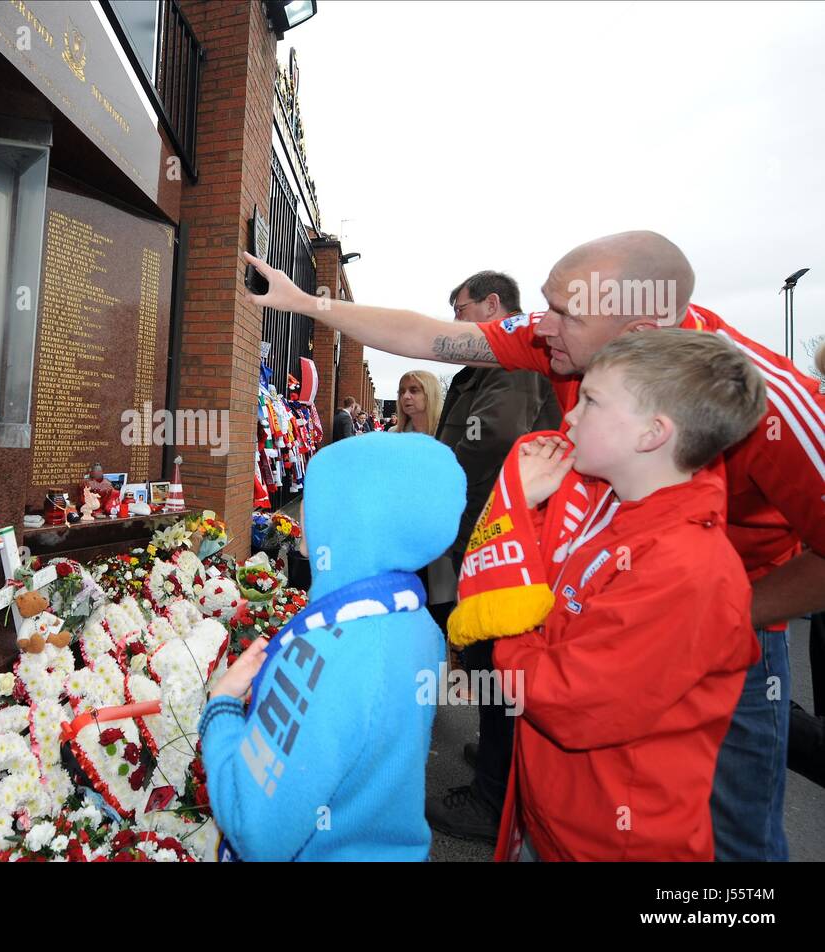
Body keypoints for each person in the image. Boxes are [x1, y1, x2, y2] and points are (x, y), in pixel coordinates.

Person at [243, 231, 825, 861]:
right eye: (545, 304)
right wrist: (306, 303)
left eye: (564, 314)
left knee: (732, 826)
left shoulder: (776, 407)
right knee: (579, 788)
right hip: (590, 600)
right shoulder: (567, 337)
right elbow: (429, 334)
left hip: (724, 620)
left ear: (639, 330)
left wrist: (718, 616)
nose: (541, 326)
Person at [466, 331, 765, 859]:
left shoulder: (688, 569)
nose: (571, 415)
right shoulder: (609, 512)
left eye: (591, 401)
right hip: (556, 812)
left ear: (652, 434)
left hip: (612, 841)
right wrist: (526, 508)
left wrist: (507, 632)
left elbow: (567, 701)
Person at [198, 431, 464, 860]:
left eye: (315, 495)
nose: (303, 507)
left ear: (348, 517)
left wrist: (222, 707)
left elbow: (255, 828)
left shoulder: (322, 653)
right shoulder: (417, 624)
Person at [426, 271, 563, 842]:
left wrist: (434, 482)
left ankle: (493, 801)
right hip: (487, 539)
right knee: (488, 667)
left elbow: (497, 437)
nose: (454, 321)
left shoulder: (514, 363)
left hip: (503, 544)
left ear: (490, 303)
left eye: (459, 308)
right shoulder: (480, 372)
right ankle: (496, 759)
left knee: (497, 665)